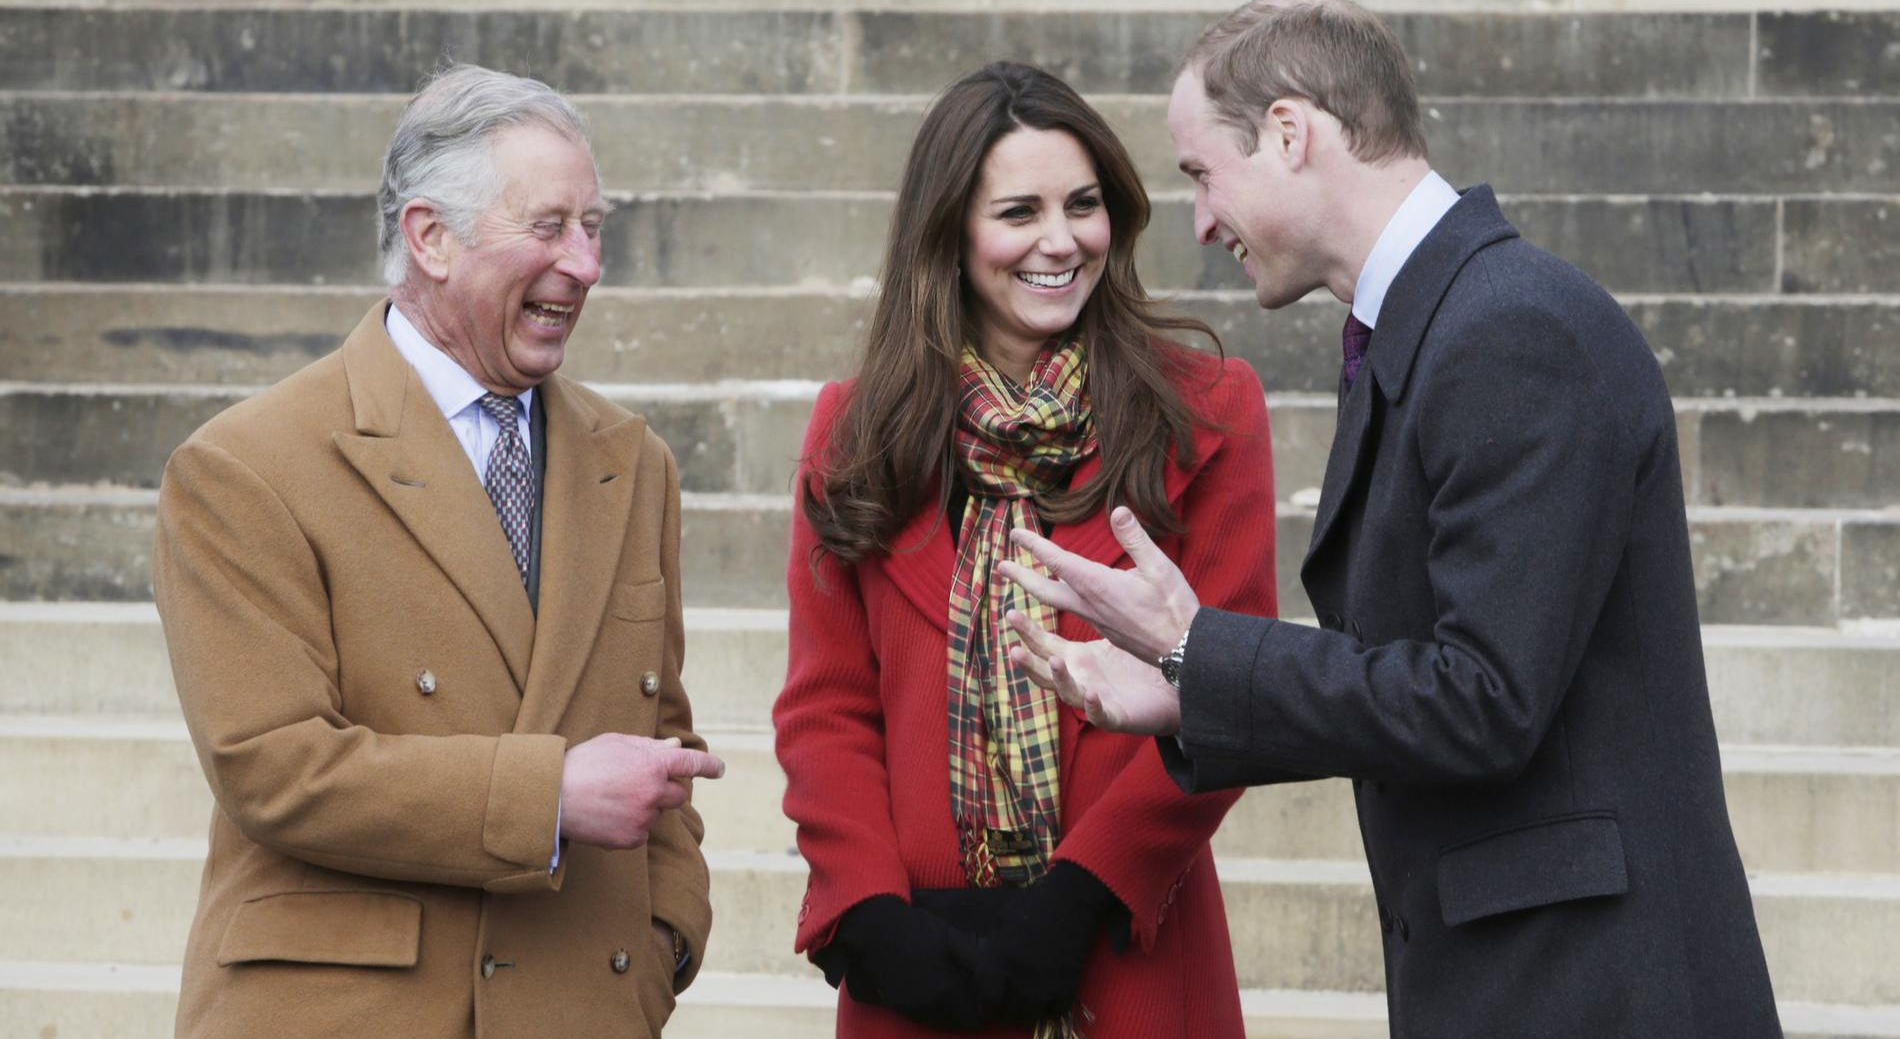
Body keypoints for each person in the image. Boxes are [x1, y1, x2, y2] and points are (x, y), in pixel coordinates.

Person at [997, 0, 1783, 1039]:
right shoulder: (1446, 322)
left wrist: (1199, 649)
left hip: (1588, 988)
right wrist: (1191, 688)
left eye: (1199, 174)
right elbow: (1425, 676)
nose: (1198, 219)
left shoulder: (1510, 329)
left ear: (1289, 132)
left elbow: (1483, 701)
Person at [153, 64, 725, 1039]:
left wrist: (666, 936)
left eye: (594, 228)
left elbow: (660, 734)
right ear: (430, 238)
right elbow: (273, 766)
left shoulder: (634, 463)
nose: (584, 264)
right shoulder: (246, 465)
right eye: (548, 227)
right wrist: (547, 794)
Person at [773, 62, 1277, 1039]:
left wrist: (1083, 891)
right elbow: (827, 706)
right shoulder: (855, 430)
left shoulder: (1208, 413)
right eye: (1019, 212)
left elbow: (1235, 691)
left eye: (1082, 206)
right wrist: (869, 913)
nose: (1060, 241)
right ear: (949, 233)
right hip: (920, 963)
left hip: (1126, 945)